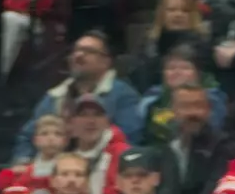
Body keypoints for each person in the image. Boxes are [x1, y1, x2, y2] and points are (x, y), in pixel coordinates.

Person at [13, 31, 143, 161]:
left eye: (88, 51)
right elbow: (27, 136)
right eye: (76, 51)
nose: (79, 55)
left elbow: (129, 139)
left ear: (106, 61)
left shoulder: (123, 95)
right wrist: (23, 160)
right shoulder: (55, 95)